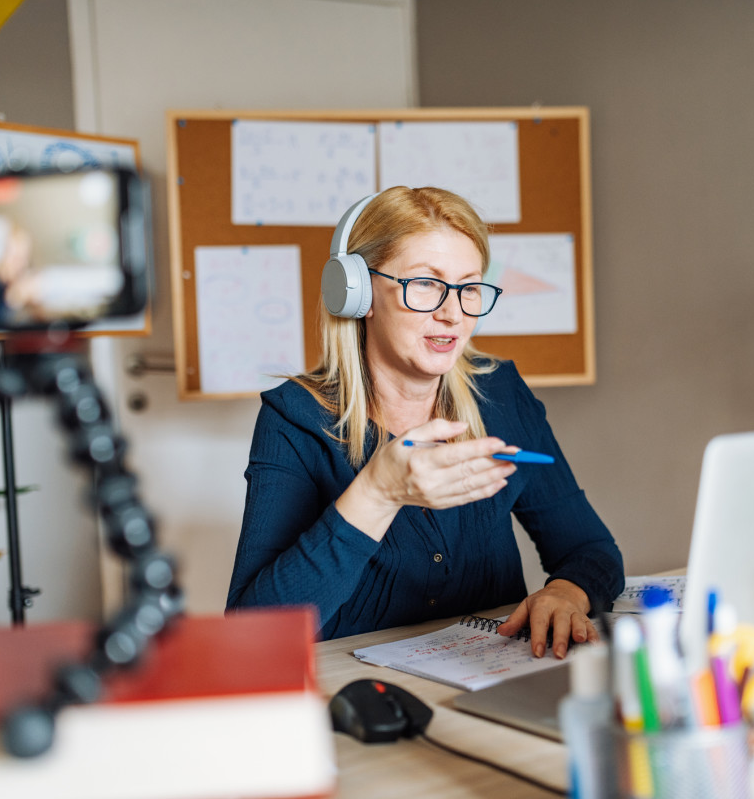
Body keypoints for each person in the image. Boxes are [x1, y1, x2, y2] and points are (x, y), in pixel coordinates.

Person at [226, 186, 624, 658]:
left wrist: (565, 592)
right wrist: (377, 493)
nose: (452, 313)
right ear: (358, 294)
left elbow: (592, 550)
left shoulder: (500, 393)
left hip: (489, 678)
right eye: (426, 284)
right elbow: (252, 638)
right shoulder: (296, 420)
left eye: (469, 287)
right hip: (359, 694)